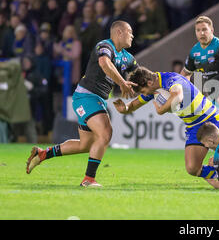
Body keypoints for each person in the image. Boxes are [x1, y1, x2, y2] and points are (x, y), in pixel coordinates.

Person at [26, 21, 138, 187]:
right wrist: (122, 82)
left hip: (96, 99)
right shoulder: (105, 45)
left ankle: (42, 154)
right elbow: (104, 63)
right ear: (119, 32)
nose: (132, 35)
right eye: (130, 31)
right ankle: (88, 179)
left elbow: (141, 76)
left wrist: (159, 87)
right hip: (86, 96)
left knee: (86, 144)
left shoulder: (127, 58)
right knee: (106, 133)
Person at [113, 67, 219, 190]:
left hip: (210, 118)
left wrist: (161, 110)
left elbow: (178, 96)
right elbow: (133, 105)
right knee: (193, 168)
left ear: (149, 83)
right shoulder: (152, 88)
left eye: (144, 90)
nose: (145, 94)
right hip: (193, 126)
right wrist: (124, 108)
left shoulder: (171, 79)